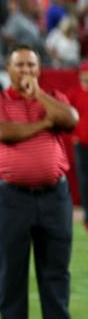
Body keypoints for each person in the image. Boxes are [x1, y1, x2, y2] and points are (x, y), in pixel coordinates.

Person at [0, 45, 79, 319]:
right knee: (11, 266)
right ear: (8, 69)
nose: (25, 71)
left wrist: (37, 95)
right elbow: (1, 131)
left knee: (57, 266)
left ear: (39, 69)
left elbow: (70, 119)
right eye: (20, 65)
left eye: (31, 65)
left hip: (55, 195)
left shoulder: (53, 97)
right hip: (11, 196)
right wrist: (43, 124)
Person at [68, 61, 88, 231]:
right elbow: (68, 117)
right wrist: (73, 135)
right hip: (81, 143)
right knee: (83, 179)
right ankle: (87, 216)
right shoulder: (74, 93)